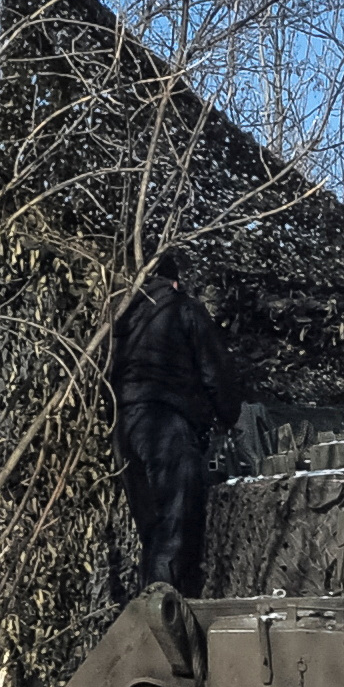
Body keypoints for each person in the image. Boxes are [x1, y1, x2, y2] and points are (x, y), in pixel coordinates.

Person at [109, 251, 241, 597]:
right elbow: (216, 371)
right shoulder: (183, 308)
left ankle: (148, 611)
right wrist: (228, 415)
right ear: (175, 280)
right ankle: (165, 623)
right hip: (167, 424)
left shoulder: (121, 318)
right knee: (176, 530)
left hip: (124, 427)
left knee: (152, 533)